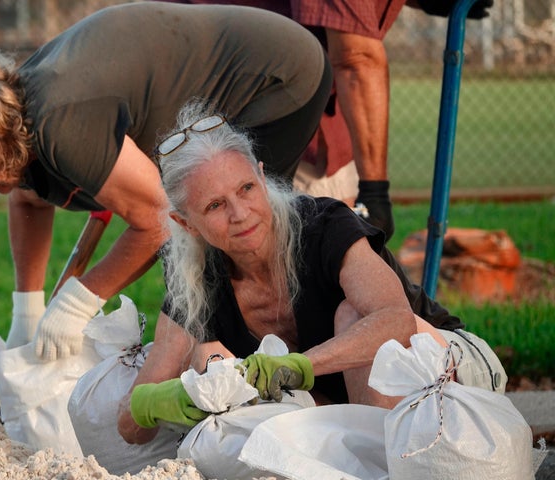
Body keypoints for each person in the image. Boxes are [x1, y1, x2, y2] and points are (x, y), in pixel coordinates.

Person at [0, 2, 333, 360]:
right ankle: (228, 364)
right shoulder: (19, 116)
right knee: (209, 243)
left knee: (236, 237)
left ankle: (299, 362)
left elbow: (159, 218)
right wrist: (26, 315)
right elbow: (28, 201)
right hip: (225, 75)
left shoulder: (62, 123)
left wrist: (80, 300)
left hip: (275, 78)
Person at [116, 103, 507, 445]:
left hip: (449, 368)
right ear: (186, 224)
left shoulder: (324, 225)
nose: (240, 213)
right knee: (206, 359)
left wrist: (298, 366)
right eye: (216, 205)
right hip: (348, 404)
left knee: (352, 316)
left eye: (247, 188)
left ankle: (388, 467)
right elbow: (130, 425)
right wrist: (171, 399)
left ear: (263, 176)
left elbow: (396, 320)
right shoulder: (196, 280)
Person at [160, 0, 494, 242]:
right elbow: (355, 57)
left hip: (193, 88)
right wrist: (375, 192)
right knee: (315, 264)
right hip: (261, 105)